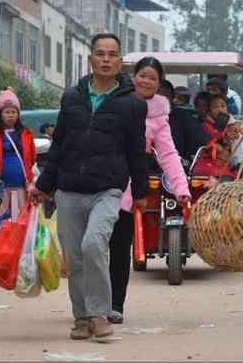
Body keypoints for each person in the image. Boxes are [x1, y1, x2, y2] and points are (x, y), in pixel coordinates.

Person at [29, 33, 148, 340]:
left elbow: (136, 151)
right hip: (68, 188)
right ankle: (81, 317)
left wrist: (141, 192)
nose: (106, 59)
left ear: (120, 62)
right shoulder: (72, 97)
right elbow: (59, 146)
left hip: (107, 189)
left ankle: (99, 314)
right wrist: (44, 185)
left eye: (112, 54)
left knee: (94, 244)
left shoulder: (132, 104)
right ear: (91, 59)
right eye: (100, 53)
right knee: (75, 256)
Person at [108, 57, 191, 324]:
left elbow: (168, 154)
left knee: (120, 247)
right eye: (142, 75)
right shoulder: (114, 100)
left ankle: (114, 305)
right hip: (101, 179)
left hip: (130, 187)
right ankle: (90, 301)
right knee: (93, 246)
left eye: (152, 78)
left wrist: (181, 187)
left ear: (159, 84)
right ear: (133, 77)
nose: (146, 81)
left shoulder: (158, 116)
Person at [0, 88, 35, 222]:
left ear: (18, 114)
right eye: (7, 112)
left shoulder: (26, 133)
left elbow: (32, 157)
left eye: (14, 112)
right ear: (0, 114)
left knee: (20, 222)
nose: (11, 115)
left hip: (20, 186)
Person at [192, 94, 236, 178]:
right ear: (209, 111)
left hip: (225, 166)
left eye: (223, 106)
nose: (220, 109)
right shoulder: (204, 127)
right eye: (215, 107)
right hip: (209, 167)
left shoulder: (233, 126)